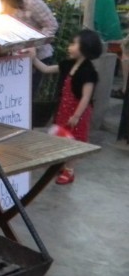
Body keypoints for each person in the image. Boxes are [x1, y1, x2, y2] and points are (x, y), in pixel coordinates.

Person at [29, 29, 101, 185]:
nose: (70, 47)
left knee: (75, 141)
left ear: (85, 48)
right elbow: (46, 69)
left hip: (78, 112)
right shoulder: (68, 65)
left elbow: (86, 97)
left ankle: (69, 170)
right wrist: (33, 59)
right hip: (63, 108)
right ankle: (62, 164)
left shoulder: (89, 72)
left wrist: (76, 116)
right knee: (63, 136)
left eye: (74, 44)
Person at [0, 0, 59, 96]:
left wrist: (34, 45)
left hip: (35, 58)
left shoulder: (31, 2)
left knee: (24, 96)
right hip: (12, 56)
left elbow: (52, 25)